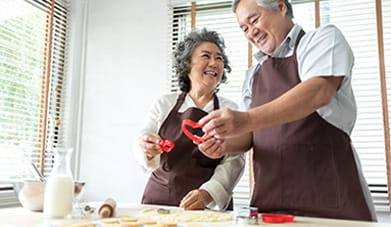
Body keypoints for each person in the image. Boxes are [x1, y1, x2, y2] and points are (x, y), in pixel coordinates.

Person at [197, 0, 377, 221]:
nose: (251, 32)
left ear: (281, 7)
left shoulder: (321, 40)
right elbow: (249, 135)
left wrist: (245, 120)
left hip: (331, 201)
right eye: (244, 28)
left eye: (254, 20)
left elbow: (318, 91)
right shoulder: (253, 75)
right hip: (270, 204)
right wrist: (225, 145)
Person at [134, 28, 245, 210]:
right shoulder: (164, 103)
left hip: (207, 207)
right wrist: (146, 147)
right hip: (159, 202)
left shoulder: (230, 110)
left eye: (219, 58)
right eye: (206, 56)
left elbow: (235, 160)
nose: (214, 63)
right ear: (187, 64)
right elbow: (143, 137)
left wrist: (208, 193)